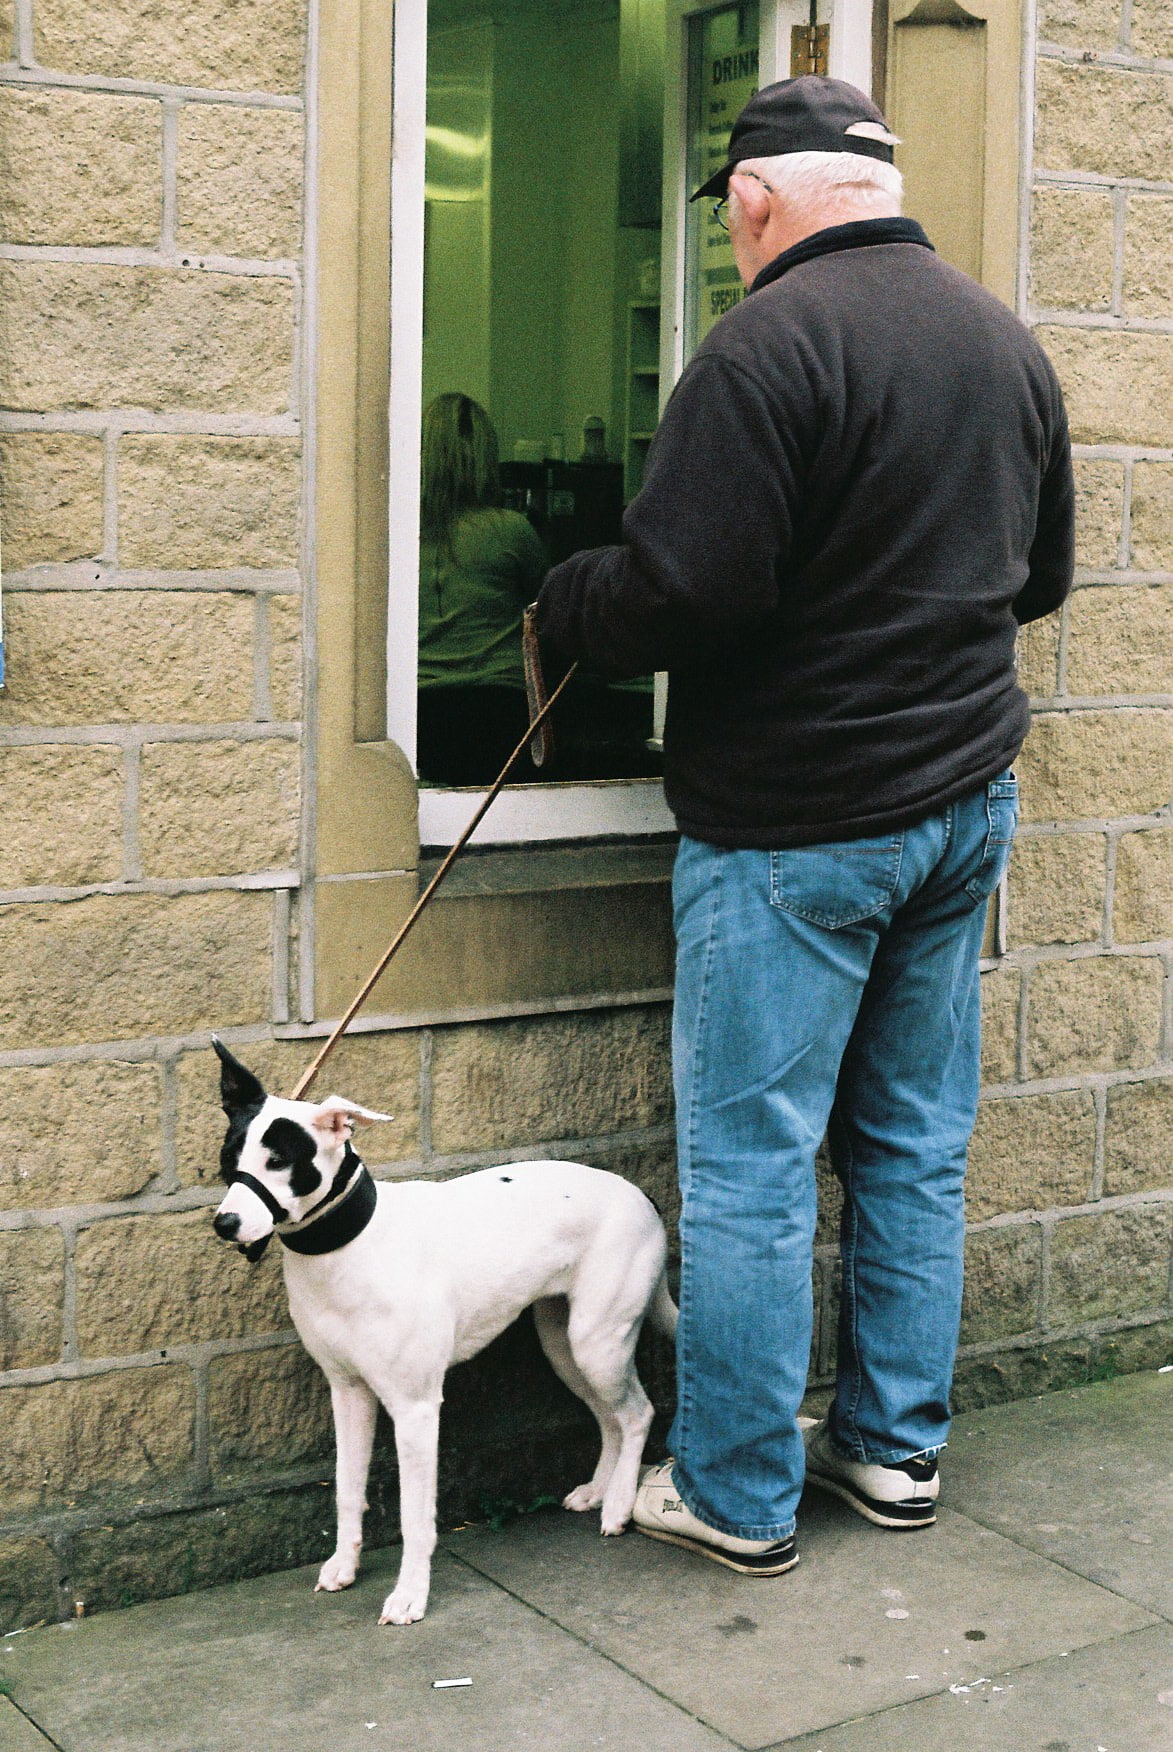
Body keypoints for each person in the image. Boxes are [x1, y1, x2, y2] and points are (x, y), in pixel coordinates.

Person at [535, 76, 1074, 1574]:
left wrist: (568, 591)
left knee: (755, 1165)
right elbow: (1035, 585)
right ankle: (893, 1453)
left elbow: (680, 592)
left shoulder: (762, 348)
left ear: (758, 199)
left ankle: (738, 1493)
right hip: (960, 807)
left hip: (793, 834)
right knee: (910, 1145)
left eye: (728, 217)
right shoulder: (1001, 343)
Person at [417, 393, 548, 785]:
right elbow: (551, 611)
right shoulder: (512, 530)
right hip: (501, 709)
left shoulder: (399, 532)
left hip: (421, 709)